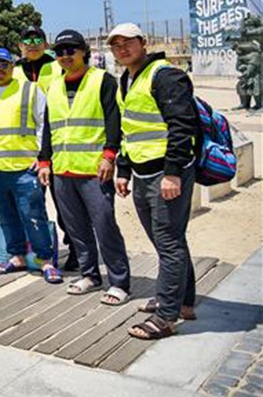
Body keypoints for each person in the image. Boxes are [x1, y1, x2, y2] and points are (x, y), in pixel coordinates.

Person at [109, 23, 200, 341]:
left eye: (127, 42)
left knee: (169, 242)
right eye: (115, 45)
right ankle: (183, 301)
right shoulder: (128, 79)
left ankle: (166, 316)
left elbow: (181, 125)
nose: (121, 49)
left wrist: (173, 172)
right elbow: (128, 129)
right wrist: (123, 169)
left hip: (166, 173)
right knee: (170, 239)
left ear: (143, 43)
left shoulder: (165, 75)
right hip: (142, 172)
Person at [38, 31, 129, 302]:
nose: (65, 56)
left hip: (93, 170)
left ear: (83, 51)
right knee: (76, 227)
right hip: (62, 170)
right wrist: (44, 161)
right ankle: (89, 274)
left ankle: (120, 282)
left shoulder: (102, 80)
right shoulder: (53, 86)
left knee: (104, 226)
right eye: (60, 52)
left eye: (71, 50)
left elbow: (115, 120)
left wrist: (109, 155)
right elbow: (48, 128)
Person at [0, 48, 61, 285]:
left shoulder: (29, 90)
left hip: (22, 168)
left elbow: (43, 125)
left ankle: (45, 259)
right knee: (5, 216)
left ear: (12, 66)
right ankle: (17, 255)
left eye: (3, 65)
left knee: (33, 215)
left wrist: (41, 157)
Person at [16, 24, 75, 270]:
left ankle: (75, 248)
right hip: (27, 152)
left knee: (66, 205)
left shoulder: (58, 65)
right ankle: (35, 253)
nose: (32, 43)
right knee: (30, 205)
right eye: (27, 40)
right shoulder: (14, 70)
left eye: (37, 38)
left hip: (58, 146)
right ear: (19, 46)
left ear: (46, 42)